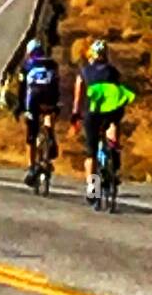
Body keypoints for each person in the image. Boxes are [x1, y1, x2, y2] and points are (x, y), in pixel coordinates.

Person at [71, 38, 136, 205]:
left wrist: (75, 114)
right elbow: (118, 92)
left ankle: (93, 186)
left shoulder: (84, 72)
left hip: (93, 113)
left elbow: (78, 97)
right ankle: (114, 156)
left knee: (90, 153)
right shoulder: (113, 71)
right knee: (113, 127)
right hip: (112, 111)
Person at [17, 37, 61, 187]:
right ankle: (50, 137)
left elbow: (22, 89)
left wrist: (20, 106)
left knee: (31, 135)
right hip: (50, 98)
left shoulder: (27, 65)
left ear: (29, 53)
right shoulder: (52, 64)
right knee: (49, 115)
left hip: (34, 100)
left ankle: (31, 167)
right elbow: (56, 83)